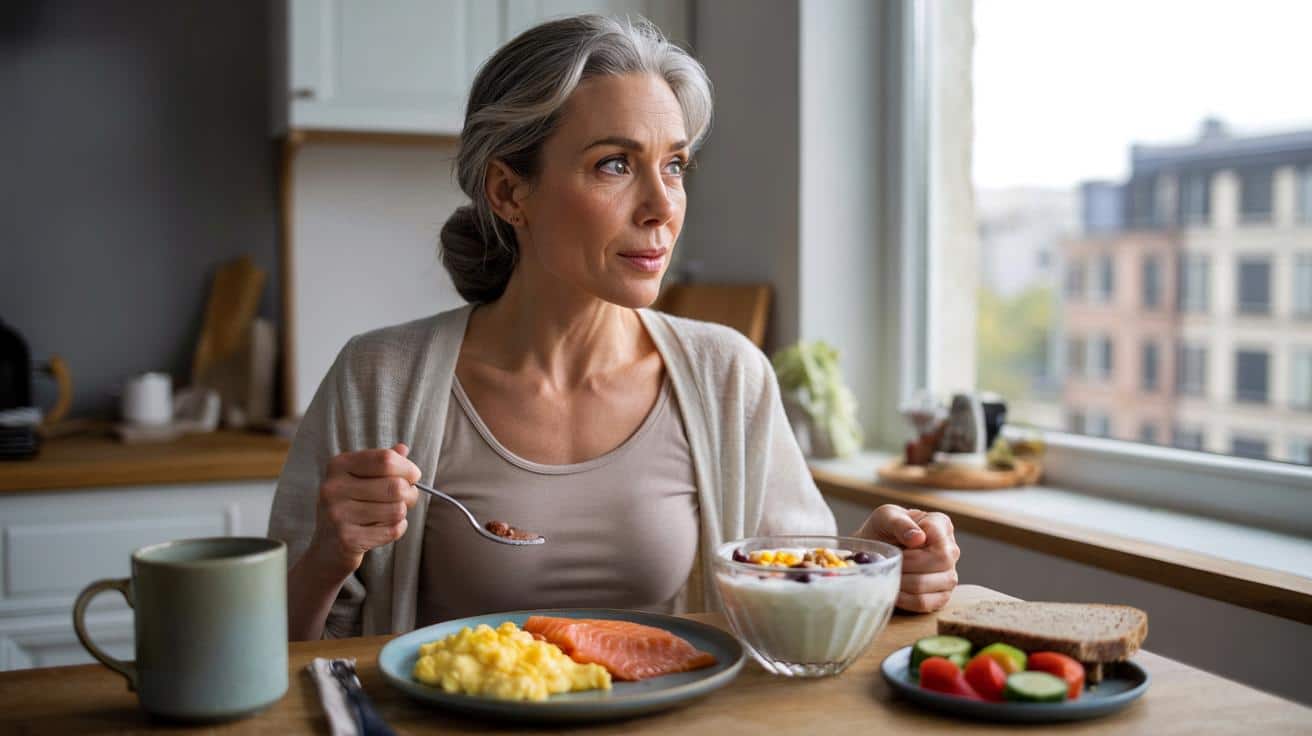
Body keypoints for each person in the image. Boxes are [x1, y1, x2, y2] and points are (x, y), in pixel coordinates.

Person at [269, 15, 960, 641]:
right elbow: (273, 651)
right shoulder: (379, 378)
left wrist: (877, 566)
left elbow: (793, 599)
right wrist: (331, 554)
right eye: (614, 164)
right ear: (509, 192)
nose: (662, 205)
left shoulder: (727, 374)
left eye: (674, 165)